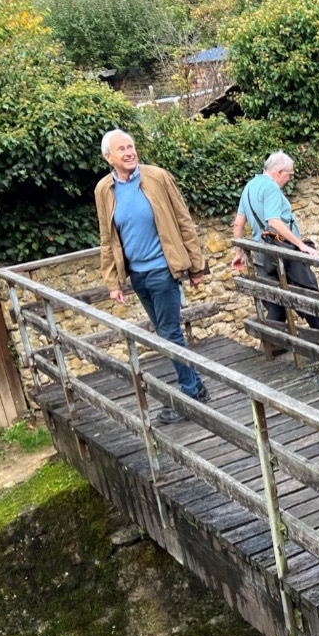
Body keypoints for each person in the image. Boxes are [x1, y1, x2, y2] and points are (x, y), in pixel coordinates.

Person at [96, 129, 209, 422]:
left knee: (169, 333)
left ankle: (189, 395)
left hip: (162, 269)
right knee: (163, 332)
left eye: (131, 146)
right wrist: (113, 281)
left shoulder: (158, 177)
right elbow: (107, 237)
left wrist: (196, 266)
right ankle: (196, 384)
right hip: (137, 275)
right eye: (121, 149)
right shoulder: (103, 190)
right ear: (108, 157)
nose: (129, 152)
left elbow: (184, 221)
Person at [229, 151, 319, 332]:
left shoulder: (250, 186)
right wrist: (301, 245)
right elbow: (273, 221)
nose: (289, 180)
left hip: (261, 255)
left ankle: (272, 345)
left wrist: (239, 253)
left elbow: (238, 223)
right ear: (279, 172)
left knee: (276, 304)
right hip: (281, 254)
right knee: (306, 294)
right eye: (289, 175)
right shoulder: (271, 188)